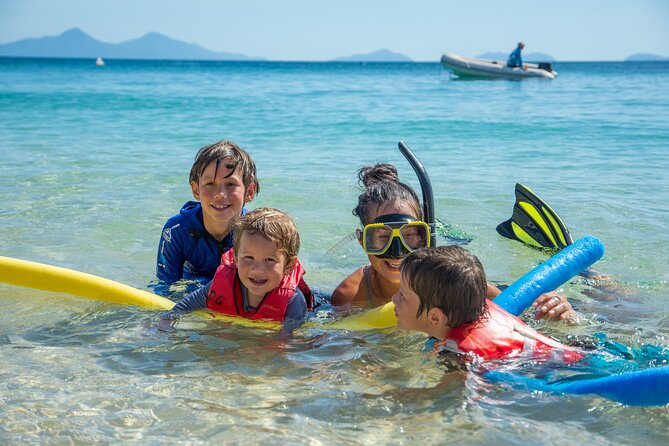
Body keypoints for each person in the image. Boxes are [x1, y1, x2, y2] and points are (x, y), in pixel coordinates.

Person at [331, 164, 578, 322]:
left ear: (426, 236)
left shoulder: (448, 276)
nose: (397, 252)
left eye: (411, 235)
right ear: (363, 242)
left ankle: (589, 274)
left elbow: (518, 309)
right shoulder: (351, 296)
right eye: (382, 238)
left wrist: (556, 308)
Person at [392, 246, 583, 362]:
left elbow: (448, 396)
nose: (394, 299)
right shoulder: (479, 306)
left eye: (402, 295)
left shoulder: (456, 355)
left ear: (435, 317)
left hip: (557, 369)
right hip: (578, 351)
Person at [164, 207, 314, 323]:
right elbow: (183, 308)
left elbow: (288, 340)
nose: (257, 269)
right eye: (249, 257)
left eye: (269, 260)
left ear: (289, 266)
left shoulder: (293, 301)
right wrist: (163, 325)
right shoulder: (221, 283)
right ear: (235, 258)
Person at [156, 140, 258, 285]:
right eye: (210, 184)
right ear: (196, 190)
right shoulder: (177, 230)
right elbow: (165, 285)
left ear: (249, 191)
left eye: (230, 184)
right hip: (192, 291)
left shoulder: (255, 232)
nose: (220, 194)